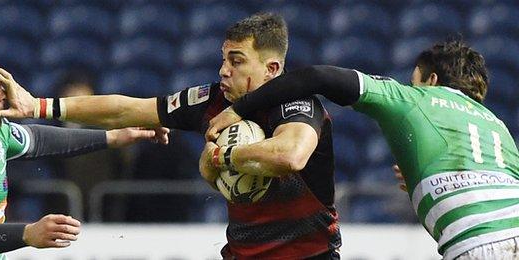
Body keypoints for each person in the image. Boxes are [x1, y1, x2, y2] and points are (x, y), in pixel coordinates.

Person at [0, 13, 342, 259]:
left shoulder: (298, 105)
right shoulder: (214, 101)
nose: (224, 70)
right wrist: (38, 106)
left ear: (272, 69)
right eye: (224, 59)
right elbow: (125, 110)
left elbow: (290, 155)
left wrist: (221, 157)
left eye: (236, 61)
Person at [206, 40, 519, 260]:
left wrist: (241, 108)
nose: (410, 87)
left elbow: (317, 77)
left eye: (414, 82)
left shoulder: (414, 99)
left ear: (432, 80)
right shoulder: (498, 126)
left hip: (480, 245)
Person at [0, 37, 169, 260]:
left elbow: (39, 139)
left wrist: (113, 137)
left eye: (2, 85)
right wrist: (28, 233)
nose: (5, 95)